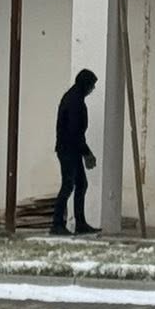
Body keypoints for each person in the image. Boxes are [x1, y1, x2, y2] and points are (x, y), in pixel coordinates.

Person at [51, 68, 98, 235]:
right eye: (92, 85)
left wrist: (84, 152)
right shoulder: (75, 101)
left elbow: (76, 132)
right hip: (68, 149)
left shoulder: (74, 97)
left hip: (71, 148)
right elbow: (74, 131)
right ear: (86, 84)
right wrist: (87, 153)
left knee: (80, 184)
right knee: (68, 185)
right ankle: (57, 224)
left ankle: (80, 223)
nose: (93, 89)